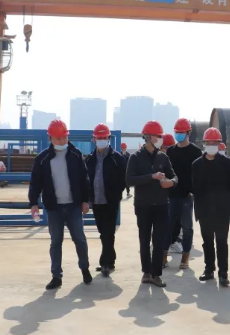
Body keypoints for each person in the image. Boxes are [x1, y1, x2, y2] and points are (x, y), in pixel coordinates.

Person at [28, 119, 92, 290]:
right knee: (56, 241)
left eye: (64, 137)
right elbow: (35, 182)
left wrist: (85, 200)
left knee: (80, 239)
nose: (62, 141)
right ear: (50, 138)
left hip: (73, 206)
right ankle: (56, 276)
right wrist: (33, 203)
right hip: (53, 208)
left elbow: (84, 179)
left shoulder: (76, 155)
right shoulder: (42, 159)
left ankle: (85, 268)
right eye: (58, 138)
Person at [126, 120, 178, 287]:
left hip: (161, 205)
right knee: (144, 240)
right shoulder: (135, 157)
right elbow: (129, 179)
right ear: (147, 137)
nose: (160, 139)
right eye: (157, 136)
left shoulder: (163, 157)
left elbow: (174, 176)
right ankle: (146, 273)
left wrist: (171, 182)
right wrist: (151, 177)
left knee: (159, 241)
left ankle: (156, 274)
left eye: (160, 136)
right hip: (143, 206)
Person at [192, 128, 230, 286]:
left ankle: (223, 273)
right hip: (204, 210)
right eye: (209, 142)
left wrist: (225, 201)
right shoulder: (197, 165)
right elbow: (195, 188)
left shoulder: (227, 163)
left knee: (222, 241)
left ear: (219, 144)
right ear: (204, 143)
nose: (211, 145)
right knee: (207, 241)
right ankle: (209, 269)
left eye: (214, 142)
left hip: (222, 210)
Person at [84, 123, 126, 277]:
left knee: (108, 232)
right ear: (94, 139)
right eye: (99, 138)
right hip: (96, 201)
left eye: (104, 137)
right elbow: (86, 179)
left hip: (110, 201)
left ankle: (105, 263)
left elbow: (124, 179)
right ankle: (110, 259)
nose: (101, 140)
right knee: (103, 232)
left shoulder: (117, 158)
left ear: (108, 138)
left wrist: (116, 193)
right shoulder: (90, 159)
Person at [165, 118, 203, 270]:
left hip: (187, 196)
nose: (179, 135)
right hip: (171, 195)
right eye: (177, 132)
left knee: (187, 228)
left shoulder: (196, 152)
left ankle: (185, 257)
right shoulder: (170, 151)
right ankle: (163, 255)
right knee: (168, 226)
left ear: (188, 133)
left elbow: (199, 175)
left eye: (181, 132)